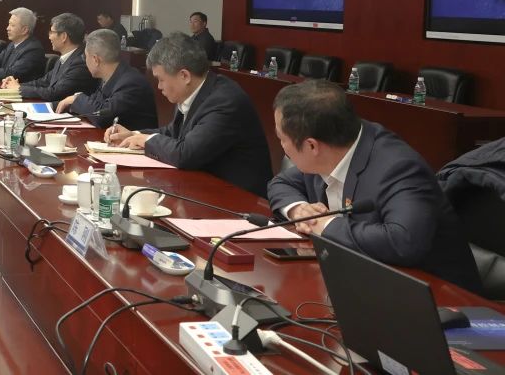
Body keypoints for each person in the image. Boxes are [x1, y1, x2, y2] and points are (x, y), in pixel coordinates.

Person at [266, 80, 481, 290]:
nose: (281, 145)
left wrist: (324, 225)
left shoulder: (398, 168)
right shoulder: (332, 148)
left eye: (282, 138)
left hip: (438, 297)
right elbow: (281, 182)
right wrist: (299, 210)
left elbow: (404, 241)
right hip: (361, 278)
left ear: (312, 146)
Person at [107, 33, 271, 197]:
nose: (159, 86)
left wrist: (146, 140)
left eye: (161, 79)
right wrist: (133, 135)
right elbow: (173, 132)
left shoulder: (225, 101)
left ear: (184, 76)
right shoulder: (194, 92)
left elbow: (186, 154)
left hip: (240, 199)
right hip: (205, 189)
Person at [55, 29, 157, 129]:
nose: (85, 61)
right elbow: (95, 103)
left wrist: (77, 99)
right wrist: (53, 105)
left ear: (95, 60)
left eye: (85, 57)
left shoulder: (131, 83)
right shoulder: (110, 77)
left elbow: (103, 116)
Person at [2, 13, 97, 102]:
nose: (49, 37)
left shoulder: (80, 62)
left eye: (52, 32)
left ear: (63, 36)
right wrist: (15, 85)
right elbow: (44, 82)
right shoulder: (65, 57)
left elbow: (54, 93)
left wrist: (19, 88)